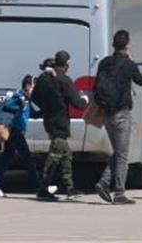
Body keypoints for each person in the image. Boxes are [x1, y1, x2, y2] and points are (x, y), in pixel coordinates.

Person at [93, 29, 142, 205]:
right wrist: (131, 60)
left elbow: (96, 87)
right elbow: (141, 80)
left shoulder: (104, 63)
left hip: (107, 114)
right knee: (123, 155)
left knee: (117, 152)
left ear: (113, 44)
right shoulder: (128, 64)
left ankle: (103, 182)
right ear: (127, 45)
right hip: (122, 113)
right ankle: (119, 192)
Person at [32, 51, 88, 201]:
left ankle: (70, 188)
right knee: (54, 157)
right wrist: (85, 99)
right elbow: (77, 103)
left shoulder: (43, 78)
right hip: (61, 123)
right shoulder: (65, 80)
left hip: (49, 121)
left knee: (66, 155)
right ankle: (43, 189)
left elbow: (34, 97)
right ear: (67, 64)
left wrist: (47, 106)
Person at [0, 75, 41, 197]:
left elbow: (33, 113)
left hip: (17, 131)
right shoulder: (19, 95)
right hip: (14, 131)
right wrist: (21, 101)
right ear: (28, 86)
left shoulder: (27, 99)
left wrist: (47, 110)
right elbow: (8, 106)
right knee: (28, 159)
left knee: (6, 159)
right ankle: (40, 187)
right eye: (34, 86)